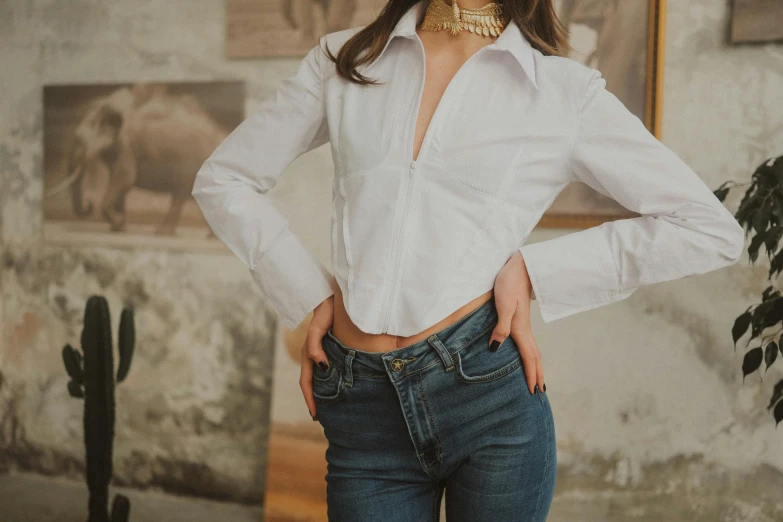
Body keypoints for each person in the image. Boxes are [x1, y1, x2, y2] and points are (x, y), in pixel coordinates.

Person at [191, 0, 745, 519]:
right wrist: (307, 290)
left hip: (487, 398)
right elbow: (224, 178)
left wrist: (532, 272)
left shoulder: (561, 91)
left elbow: (707, 227)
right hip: (359, 408)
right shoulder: (345, 61)